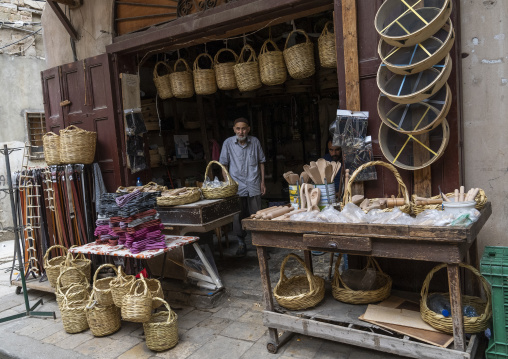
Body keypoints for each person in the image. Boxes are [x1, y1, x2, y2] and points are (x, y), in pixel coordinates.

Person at [219, 117, 266, 256]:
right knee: (238, 215)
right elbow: (223, 165)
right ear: (234, 129)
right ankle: (241, 243)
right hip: (237, 186)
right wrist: (228, 183)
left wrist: (263, 182)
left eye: (243, 128)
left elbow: (261, 162)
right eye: (238, 129)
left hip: (254, 183)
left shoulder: (255, 141)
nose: (241, 131)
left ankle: (260, 245)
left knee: (257, 215)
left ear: (248, 129)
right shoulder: (228, 143)